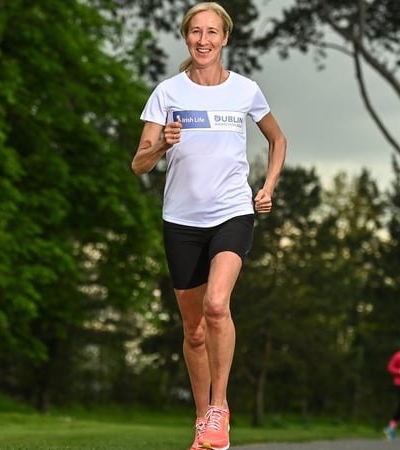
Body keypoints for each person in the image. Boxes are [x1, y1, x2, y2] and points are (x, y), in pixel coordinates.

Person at [131, 3, 287, 449]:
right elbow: (138, 163)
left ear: (224, 38)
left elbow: (277, 138)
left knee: (218, 305)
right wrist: (161, 143)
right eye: (195, 32)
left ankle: (220, 406)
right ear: (186, 38)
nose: (203, 40)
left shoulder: (245, 90)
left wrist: (268, 184)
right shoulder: (167, 92)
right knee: (194, 329)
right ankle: (203, 419)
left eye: (211, 32)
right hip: (180, 220)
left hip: (232, 211)